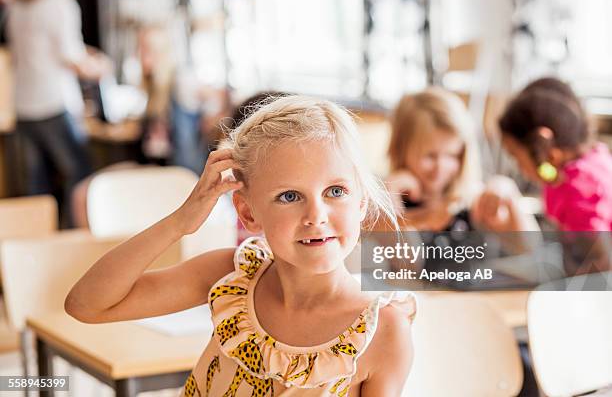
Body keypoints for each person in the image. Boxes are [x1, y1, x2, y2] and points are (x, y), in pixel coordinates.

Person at [65, 95, 417, 396]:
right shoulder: (231, 277)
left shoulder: (384, 331)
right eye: (289, 196)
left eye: (335, 191)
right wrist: (179, 223)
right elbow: (86, 305)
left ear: (360, 203)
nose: (316, 215)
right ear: (248, 214)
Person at [7, 0, 109, 226]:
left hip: (23, 106)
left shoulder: (18, 5)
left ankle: (37, 242)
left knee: (37, 185)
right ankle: (73, 239)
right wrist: (100, 67)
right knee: (79, 176)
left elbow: (26, 54)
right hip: (53, 103)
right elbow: (70, 56)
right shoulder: (59, 2)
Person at [386, 87, 539, 234]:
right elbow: (408, 259)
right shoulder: (385, 201)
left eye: (452, 155)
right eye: (430, 156)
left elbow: (528, 246)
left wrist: (509, 192)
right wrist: (391, 196)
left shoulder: (469, 200)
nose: (441, 167)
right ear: (401, 149)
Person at [499, 78, 612, 272]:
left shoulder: (576, 190)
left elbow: (600, 268)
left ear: (544, 148)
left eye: (516, 157)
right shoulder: (594, 157)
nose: (518, 167)